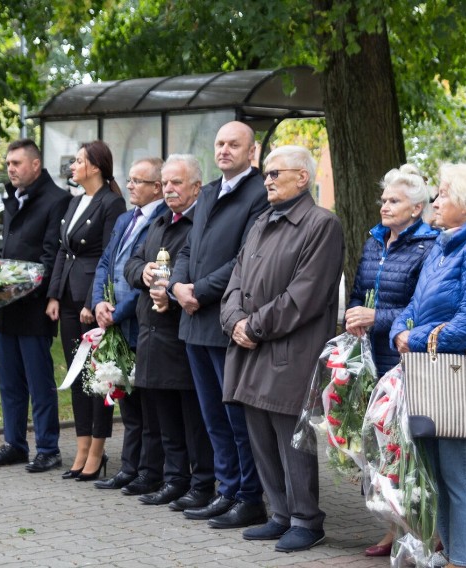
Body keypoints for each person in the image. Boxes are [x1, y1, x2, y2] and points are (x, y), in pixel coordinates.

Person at [221, 145, 344, 552]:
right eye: (267, 174)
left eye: (276, 173)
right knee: (259, 433)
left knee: (293, 438)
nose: (268, 179)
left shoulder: (321, 225)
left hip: (291, 351)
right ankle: (280, 514)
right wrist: (234, 320)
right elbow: (236, 279)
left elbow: (304, 296)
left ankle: (308, 520)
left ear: (302, 178)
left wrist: (252, 326)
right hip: (252, 347)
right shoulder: (261, 222)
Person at [391, 161, 466, 567]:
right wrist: (398, 331)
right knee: (436, 476)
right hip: (431, 371)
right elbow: (415, 305)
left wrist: (417, 338)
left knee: (459, 477)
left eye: (443, 193)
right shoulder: (443, 245)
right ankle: (450, 554)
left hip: (462, 374)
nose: (435, 201)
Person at [168, 121, 270, 529]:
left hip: (226, 320)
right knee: (212, 416)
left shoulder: (259, 193)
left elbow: (246, 257)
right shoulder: (209, 191)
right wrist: (177, 285)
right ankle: (226, 490)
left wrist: (199, 292)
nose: (225, 150)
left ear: (252, 151)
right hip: (193, 322)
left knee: (235, 417)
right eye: (220, 144)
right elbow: (188, 247)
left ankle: (249, 496)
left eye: (234, 144)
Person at [344, 164, 438, 557]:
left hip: (405, 359)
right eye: (383, 199)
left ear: (416, 209)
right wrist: (353, 317)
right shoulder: (374, 242)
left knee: (409, 449)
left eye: (394, 200)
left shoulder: (429, 247)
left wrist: (378, 319)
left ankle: (424, 530)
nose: (384, 206)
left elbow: (423, 308)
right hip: (372, 358)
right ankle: (391, 526)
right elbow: (359, 290)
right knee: (379, 448)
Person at [123, 154, 215, 509]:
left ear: (196, 186)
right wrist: (143, 271)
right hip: (151, 334)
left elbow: (199, 273)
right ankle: (174, 479)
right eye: (165, 183)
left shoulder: (198, 225)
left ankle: (200, 482)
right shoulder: (160, 221)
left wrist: (173, 295)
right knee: (164, 419)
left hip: (181, 334)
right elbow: (132, 261)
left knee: (191, 419)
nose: (169, 189)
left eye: (177, 183)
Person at [0, 138, 71, 472]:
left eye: (16, 163)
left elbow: (51, 255)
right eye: (8, 164)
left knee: (38, 381)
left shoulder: (57, 201)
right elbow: (7, 250)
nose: (11, 169)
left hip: (34, 307)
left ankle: (48, 447)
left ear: (35, 165)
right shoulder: (12, 199)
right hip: (6, 307)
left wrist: (27, 288)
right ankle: (14, 443)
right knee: (9, 382)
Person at [45, 141, 126, 481]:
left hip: (89, 301)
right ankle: (80, 448)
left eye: (78, 161)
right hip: (66, 297)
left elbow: (109, 256)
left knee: (97, 379)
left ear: (95, 167)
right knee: (76, 375)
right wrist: (53, 295)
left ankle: (97, 450)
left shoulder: (112, 202)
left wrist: (93, 303)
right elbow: (64, 251)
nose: (73, 167)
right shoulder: (75, 201)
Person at [91, 158, 166, 495]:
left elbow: (143, 280)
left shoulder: (161, 221)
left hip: (140, 323)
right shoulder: (125, 219)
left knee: (148, 406)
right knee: (127, 401)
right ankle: (129, 467)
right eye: (130, 179)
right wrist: (98, 304)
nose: (131, 186)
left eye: (139, 181)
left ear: (158, 187)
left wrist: (117, 312)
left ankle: (149, 472)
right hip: (116, 322)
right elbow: (106, 262)